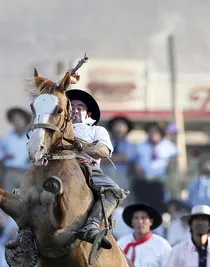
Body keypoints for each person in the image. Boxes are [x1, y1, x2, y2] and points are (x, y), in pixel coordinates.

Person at [8, 73, 128, 251]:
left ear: (88, 114)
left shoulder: (96, 130)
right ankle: (25, 231)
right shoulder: (57, 128)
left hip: (87, 170)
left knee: (113, 191)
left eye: (80, 107)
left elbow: (104, 151)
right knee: (24, 190)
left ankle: (92, 226)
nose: (76, 110)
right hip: (53, 169)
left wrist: (81, 146)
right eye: (73, 106)